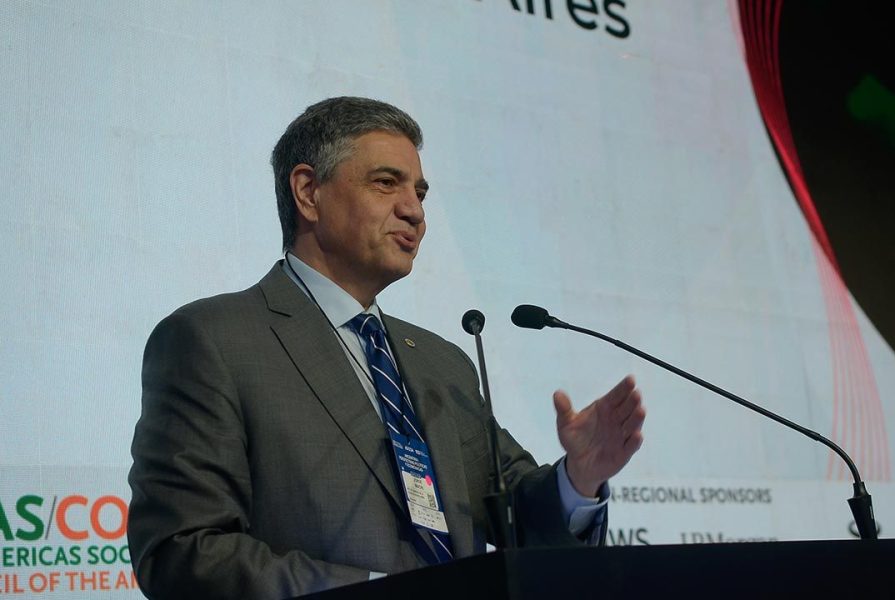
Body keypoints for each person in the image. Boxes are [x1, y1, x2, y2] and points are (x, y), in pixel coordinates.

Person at [127, 97, 646, 599]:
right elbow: (184, 552)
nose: (414, 212)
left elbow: (515, 516)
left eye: (420, 193)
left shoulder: (441, 362)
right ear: (308, 192)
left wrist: (579, 479)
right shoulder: (214, 340)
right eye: (385, 183)